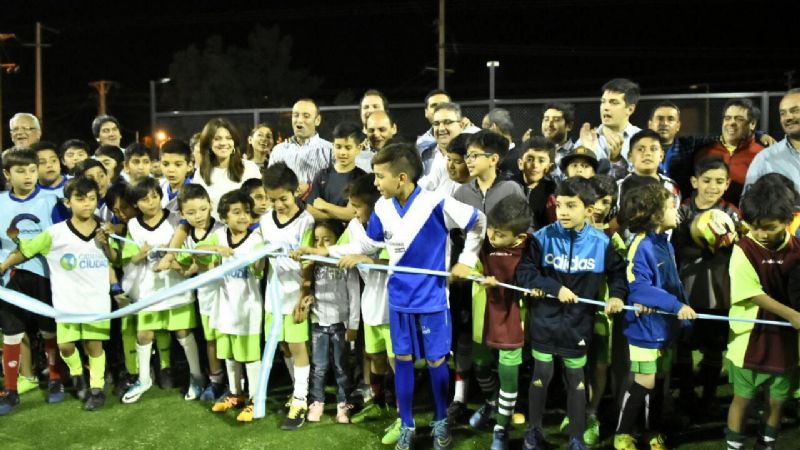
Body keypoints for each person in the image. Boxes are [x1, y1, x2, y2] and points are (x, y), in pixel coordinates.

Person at [296, 143, 486, 450]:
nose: (375, 183)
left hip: (433, 301)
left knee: (437, 361)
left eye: (379, 176)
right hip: (397, 301)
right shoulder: (383, 208)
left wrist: (466, 260)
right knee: (403, 361)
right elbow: (368, 245)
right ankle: (407, 424)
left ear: (401, 178)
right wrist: (323, 251)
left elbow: (478, 221)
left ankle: (440, 421)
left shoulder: (436, 202)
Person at [517, 177, 627, 450]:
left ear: (588, 210)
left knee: (577, 379)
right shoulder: (541, 237)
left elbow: (618, 273)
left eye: (571, 206)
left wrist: (616, 295)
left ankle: (576, 438)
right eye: (560, 205)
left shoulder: (601, 243)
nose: (563, 212)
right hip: (544, 321)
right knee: (541, 375)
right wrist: (553, 288)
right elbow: (525, 272)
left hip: (579, 323)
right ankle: (534, 432)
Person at [1, 177, 113, 411]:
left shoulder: (105, 230)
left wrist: (107, 244)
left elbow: (116, 259)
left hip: (97, 302)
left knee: (94, 346)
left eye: (92, 198)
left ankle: (97, 389)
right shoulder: (55, 233)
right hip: (66, 304)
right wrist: (3, 266)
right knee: (66, 347)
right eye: (80, 199)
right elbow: (27, 251)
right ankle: (77, 374)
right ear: (68, 202)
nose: (87, 204)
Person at [614, 183, 697, 450]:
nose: (676, 210)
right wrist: (675, 305)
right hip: (645, 330)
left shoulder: (665, 245)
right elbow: (639, 288)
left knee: (659, 382)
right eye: (671, 206)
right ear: (655, 215)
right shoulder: (641, 246)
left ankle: (652, 432)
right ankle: (622, 433)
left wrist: (682, 318)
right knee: (644, 382)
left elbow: (673, 283)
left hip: (665, 329)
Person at [451, 130, 524, 427]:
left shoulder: (512, 189)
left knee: (507, 351)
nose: (468, 161)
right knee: (477, 349)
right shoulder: (461, 193)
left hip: (506, 283)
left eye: (474, 155)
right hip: (474, 283)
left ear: (493, 159)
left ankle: (506, 410)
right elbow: (455, 236)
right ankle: (492, 402)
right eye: (466, 155)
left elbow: (524, 235)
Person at [724, 179, 800, 450]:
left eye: (769, 227)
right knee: (742, 398)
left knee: (777, 400)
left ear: (788, 220)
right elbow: (752, 293)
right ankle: (734, 446)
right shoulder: (743, 249)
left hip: (788, 342)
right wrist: (792, 314)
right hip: (750, 339)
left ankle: (766, 443)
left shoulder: (797, 250)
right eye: (754, 226)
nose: (761, 233)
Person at [116, 177, 204, 404]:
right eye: (145, 199)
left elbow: (189, 250)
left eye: (155, 196)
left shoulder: (177, 220)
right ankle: (144, 379)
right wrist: (141, 254)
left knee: (183, 332)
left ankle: (196, 376)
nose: (151, 202)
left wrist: (174, 259)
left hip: (176, 287)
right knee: (144, 334)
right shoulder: (133, 225)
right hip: (148, 290)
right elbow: (129, 259)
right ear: (135, 204)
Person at [671, 157, 742, 414]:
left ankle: (709, 398)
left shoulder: (731, 213)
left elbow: (737, 248)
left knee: (714, 348)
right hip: (687, 291)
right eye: (707, 180)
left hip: (719, 293)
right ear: (694, 182)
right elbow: (677, 246)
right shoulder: (682, 211)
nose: (713, 187)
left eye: (719, 181)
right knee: (683, 346)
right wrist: (705, 245)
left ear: (727, 184)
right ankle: (686, 394)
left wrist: (728, 242)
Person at [325, 175, 394, 435]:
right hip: (371, 303)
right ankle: (379, 403)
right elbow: (337, 249)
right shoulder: (355, 226)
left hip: (393, 304)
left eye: (357, 206)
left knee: (397, 362)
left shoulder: (391, 226)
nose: (352, 212)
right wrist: (312, 252)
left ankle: (403, 415)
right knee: (375, 356)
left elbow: (398, 262)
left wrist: (366, 259)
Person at [0, 149, 68, 415]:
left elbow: (65, 237)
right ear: (7, 174)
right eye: (20, 171)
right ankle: (11, 390)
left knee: (48, 329)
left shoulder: (53, 202)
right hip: (9, 279)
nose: (28, 176)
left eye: (31, 169)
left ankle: (55, 379)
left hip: (45, 275)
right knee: (12, 332)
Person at [469, 196, 532, 450]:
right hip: (484, 314)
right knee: (480, 365)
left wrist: (531, 288)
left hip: (513, 318)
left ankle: (501, 428)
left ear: (519, 238)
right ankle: (492, 402)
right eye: (491, 230)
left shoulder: (531, 248)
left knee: (509, 375)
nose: (492, 237)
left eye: (500, 234)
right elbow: (468, 264)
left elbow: (535, 277)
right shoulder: (482, 242)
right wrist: (476, 275)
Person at [199, 190, 265, 422]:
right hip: (225, 307)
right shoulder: (218, 236)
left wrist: (259, 260)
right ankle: (236, 393)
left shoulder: (256, 240)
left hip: (247, 309)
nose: (243, 217)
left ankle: (255, 399)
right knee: (229, 354)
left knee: (250, 356)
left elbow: (259, 270)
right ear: (224, 217)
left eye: (246, 212)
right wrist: (216, 249)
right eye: (236, 212)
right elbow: (198, 251)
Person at [258, 162, 315, 430]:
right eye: (272, 200)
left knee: (297, 345)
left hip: (295, 293)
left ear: (295, 193)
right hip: (273, 294)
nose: (278, 205)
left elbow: (310, 263)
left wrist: (304, 294)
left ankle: (301, 400)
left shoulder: (306, 221)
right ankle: (295, 390)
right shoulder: (265, 221)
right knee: (281, 345)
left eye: (283, 198)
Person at [171, 184, 227, 402]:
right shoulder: (186, 235)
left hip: (227, 294)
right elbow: (187, 268)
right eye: (191, 212)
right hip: (205, 296)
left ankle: (236, 383)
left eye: (203, 209)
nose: (198, 216)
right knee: (210, 339)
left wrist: (201, 265)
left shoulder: (222, 230)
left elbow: (225, 260)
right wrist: (177, 265)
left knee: (228, 337)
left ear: (210, 205)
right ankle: (216, 380)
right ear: (182, 214)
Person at [304, 219, 361, 424]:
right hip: (318, 321)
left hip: (340, 323)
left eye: (327, 240)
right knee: (318, 366)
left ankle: (343, 405)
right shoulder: (313, 263)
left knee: (341, 366)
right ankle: (316, 402)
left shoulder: (345, 263)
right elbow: (309, 288)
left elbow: (354, 295)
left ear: (338, 242)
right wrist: (309, 299)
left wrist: (353, 325)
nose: (320, 244)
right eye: (316, 239)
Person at [694, 98, 764, 206]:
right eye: (727, 118)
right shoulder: (704, 152)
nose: (731, 123)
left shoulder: (763, 156)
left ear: (752, 124)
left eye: (739, 119)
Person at [576, 78, 642, 180]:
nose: (605, 107)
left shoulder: (641, 138)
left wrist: (617, 161)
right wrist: (588, 156)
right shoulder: (585, 140)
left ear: (630, 109)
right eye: (603, 102)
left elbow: (642, 178)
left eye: (613, 102)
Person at [194, 118, 261, 216]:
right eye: (217, 139)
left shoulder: (250, 168)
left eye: (229, 138)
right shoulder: (201, 173)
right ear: (208, 144)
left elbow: (260, 203)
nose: (223, 143)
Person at [268, 98, 333, 196]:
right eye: (296, 115)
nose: (299, 120)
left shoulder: (330, 150)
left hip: (319, 205)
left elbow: (338, 187)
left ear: (317, 120)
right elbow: (270, 185)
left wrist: (310, 189)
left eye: (306, 116)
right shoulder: (278, 150)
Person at [305, 122, 366, 222]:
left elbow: (353, 214)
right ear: (333, 146)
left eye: (348, 148)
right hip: (322, 230)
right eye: (338, 147)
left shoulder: (362, 179)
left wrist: (325, 205)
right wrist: (340, 215)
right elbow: (310, 211)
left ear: (358, 149)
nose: (342, 152)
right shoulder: (322, 175)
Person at [744, 88, 800, 195]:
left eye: (795, 110)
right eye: (783, 113)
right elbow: (748, 201)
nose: (788, 117)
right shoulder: (765, 159)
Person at [617, 130, 681, 214]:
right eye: (640, 149)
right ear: (630, 156)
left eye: (653, 149)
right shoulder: (619, 187)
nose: (647, 153)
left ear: (661, 156)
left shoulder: (671, 187)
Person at [418, 102, 474, 192]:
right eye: (436, 123)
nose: (441, 128)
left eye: (447, 122)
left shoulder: (475, 153)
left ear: (461, 125)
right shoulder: (422, 153)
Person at [517, 137, 557, 230]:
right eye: (529, 159)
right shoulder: (507, 186)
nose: (535, 165)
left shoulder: (552, 192)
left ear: (549, 167)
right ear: (520, 163)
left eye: (541, 161)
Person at [158, 139, 194, 213]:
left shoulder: (196, 192)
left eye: (178, 165)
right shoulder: (157, 188)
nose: (171, 170)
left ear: (189, 166)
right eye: (165, 164)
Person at [482, 108, 519, 179]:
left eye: (484, 128)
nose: (482, 133)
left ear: (493, 127)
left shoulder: (493, 160)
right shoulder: (520, 155)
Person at [416, 89, 451, 155]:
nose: (439, 109)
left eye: (444, 105)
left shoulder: (467, 135)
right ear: (426, 112)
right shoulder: (420, 144)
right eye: (434, 105)